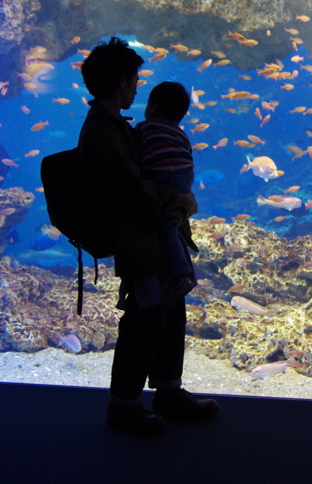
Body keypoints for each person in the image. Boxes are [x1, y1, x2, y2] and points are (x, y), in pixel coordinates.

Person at [78, 37, 219, 435]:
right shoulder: (103, 133)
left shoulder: (117, 128)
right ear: (122, 81)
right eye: (135, 79)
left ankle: (168, 390)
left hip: (154, 238)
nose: (138, 87)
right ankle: (123, 403)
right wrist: (179, 197)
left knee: (169, 312)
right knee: (143, 320)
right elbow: (132, 189)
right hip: (137, 241)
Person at [135, 81, 198, 307]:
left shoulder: (145, 127)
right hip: (184, 177)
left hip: (164, 176)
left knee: (166, 227)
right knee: (174, 222)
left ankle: (182, 276)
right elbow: (187, 158)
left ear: (153, 108)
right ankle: (184, 273)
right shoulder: (180, 133)